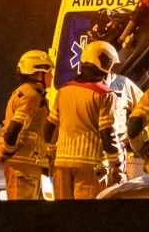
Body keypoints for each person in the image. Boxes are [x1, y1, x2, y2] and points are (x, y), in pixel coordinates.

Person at [51, 40, 121, 199]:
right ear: (106, 64)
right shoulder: (106, 95)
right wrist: (116, 163)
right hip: (90, 166)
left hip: (62, 163)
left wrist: (51, 153)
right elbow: (107, 133)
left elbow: (50, 126)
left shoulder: (63, 90)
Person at [0, 48, 57, 200]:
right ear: (38, 74)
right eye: (49, 72)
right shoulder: (32, 96)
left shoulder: (23, 92)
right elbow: (15, 127)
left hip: (24, 166)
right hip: (24, 167)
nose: (52, 76)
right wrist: (5, 151)